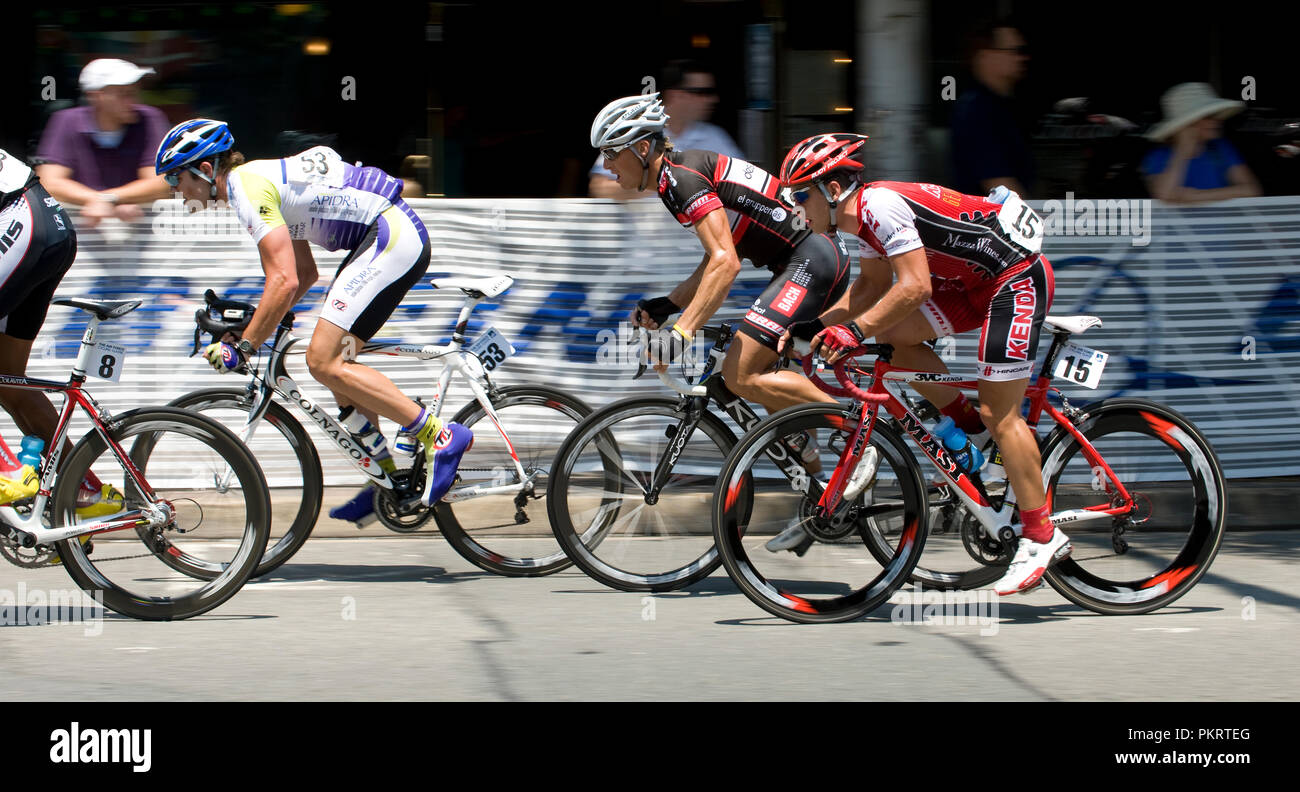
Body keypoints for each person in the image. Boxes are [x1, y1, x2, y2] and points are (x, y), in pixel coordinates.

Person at [776, 133, 1067, 595]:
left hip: (1014, 278)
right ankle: (977, 437)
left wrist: (852, 331)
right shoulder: (862, 221)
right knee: (895, 335)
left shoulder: (879, 207)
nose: (795, 206)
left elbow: (914, 287)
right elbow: (872, 289)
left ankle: (1040, 537)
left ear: (832, 191)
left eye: (800, 194)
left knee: (1002, 412)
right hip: (975, 284)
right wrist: (816, 326)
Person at [153, 119, 471, 521]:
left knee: (323, 360)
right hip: (380, 238)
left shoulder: (244, 187)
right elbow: (303, 274)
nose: (175, 192)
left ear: (203, 170)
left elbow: (283, 280)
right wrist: (261, 325)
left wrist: (245, 346)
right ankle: (389, 481)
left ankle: (437, 435)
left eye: (174, 178)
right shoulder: (260, 183)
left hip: (389, 236)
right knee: (338, 369)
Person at [591, 95, 865, 549]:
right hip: (801, 261)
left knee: (740, 371)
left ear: (641, 148)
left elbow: (726, 264)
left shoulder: (679, 178)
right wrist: (669, 305)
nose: (606, 167)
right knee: (768, 379)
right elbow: (720, 254)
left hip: (811, 258)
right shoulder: (676, 175)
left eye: (611, 153)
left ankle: (861, 434)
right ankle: (823, 495)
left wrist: (681, 333)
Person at [0, 148, 124, 534]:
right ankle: (82, 493)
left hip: (22, 217)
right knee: (8, 381)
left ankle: (7, 475)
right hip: (44, 221)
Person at [34, 58, 171, 229]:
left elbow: (160, 183)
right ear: (96, 96)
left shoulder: (151, 118)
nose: (133, 101)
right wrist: (99, 201)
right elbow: (49, 182)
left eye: (134, 92)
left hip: (141, 239)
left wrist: (108, 200)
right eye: (123, 94)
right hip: (81, 241)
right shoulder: (66, 120)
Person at [589, 61, 743, 200]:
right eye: (702, 92)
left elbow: (740, 185)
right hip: (644, 231)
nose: (711, 99)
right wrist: (654, 182)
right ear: (675, 95)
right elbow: (599, 187)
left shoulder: (716, 138)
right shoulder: (636, 132)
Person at [950, 19, 1035, 198]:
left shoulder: (1003, 107)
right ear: (985, 56)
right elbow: (1002, 188)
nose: (1023, 58)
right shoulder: (976, 111)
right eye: (1015, 51)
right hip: (992, 222)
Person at [1141, 82, 1262, 204]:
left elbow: (1251, 190)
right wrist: (1182, 151)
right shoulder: (1158, 156)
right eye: (1208, 117)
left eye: (1214, 115)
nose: (1216, 121)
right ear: (1186, 124)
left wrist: (1196, 196)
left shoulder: (1221, 148)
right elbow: (1165, 194)